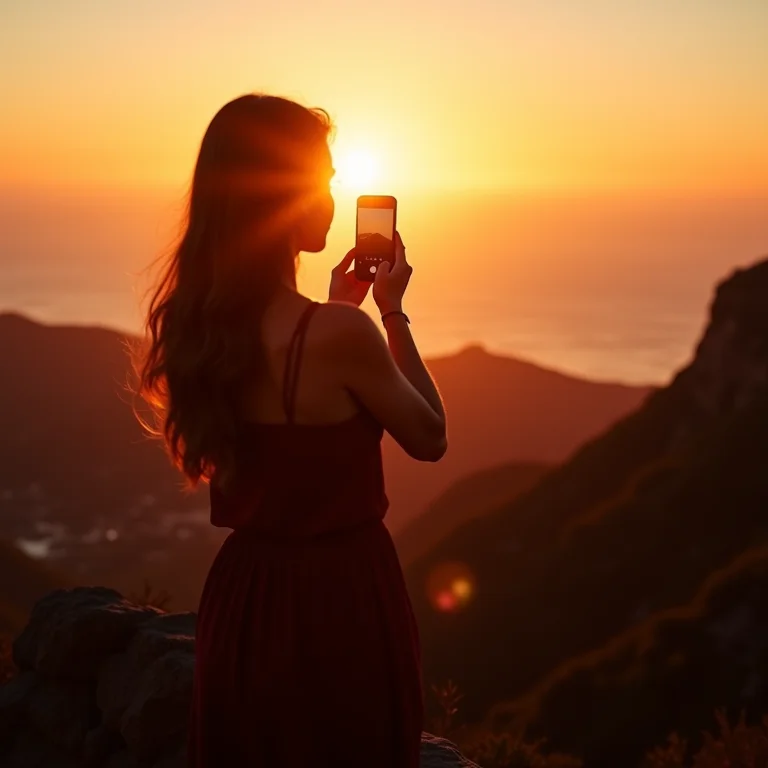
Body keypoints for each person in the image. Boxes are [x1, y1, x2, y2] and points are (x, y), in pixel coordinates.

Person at [136, 93, 447, 768]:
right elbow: (430, 435)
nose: (333, 196)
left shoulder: (202, 327)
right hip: (341, 602)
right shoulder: (337, 335)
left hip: (245, 603)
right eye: (326, 179)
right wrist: (392, 315)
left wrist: (338, 313)